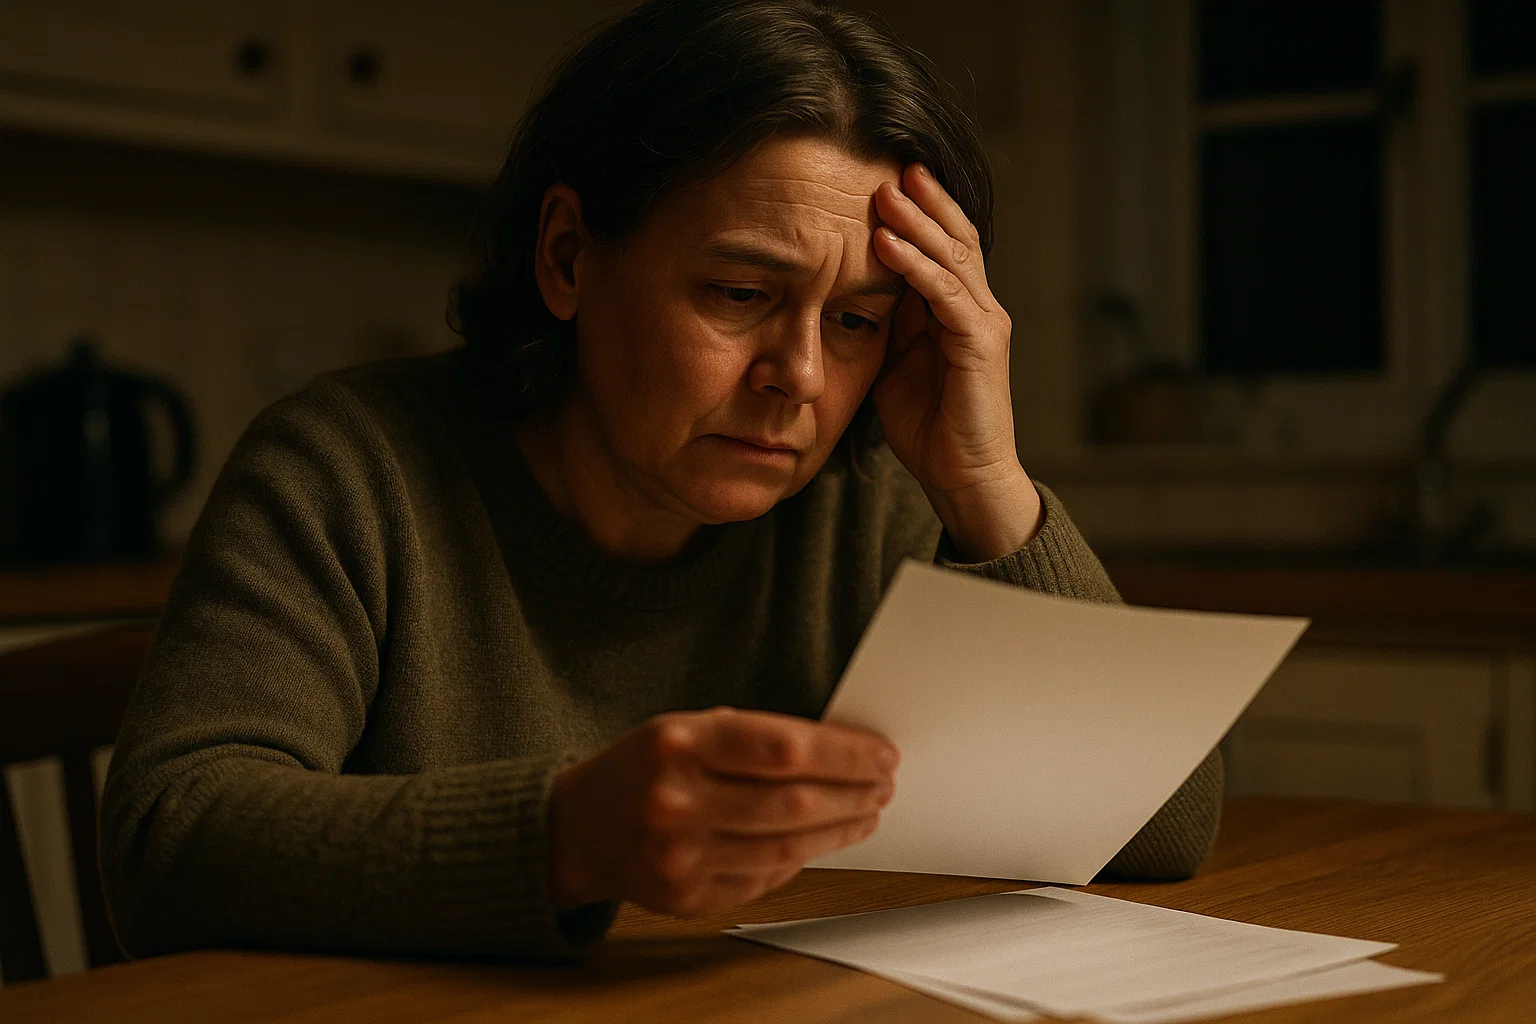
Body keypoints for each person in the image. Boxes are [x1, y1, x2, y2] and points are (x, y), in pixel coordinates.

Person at [101, 0, 1222, 963]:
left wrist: (985, 479)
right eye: (739, 294)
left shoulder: (865, 510)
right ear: (567, 256)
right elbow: (169, 840)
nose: (799, 378)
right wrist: (568, 835)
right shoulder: (350, 469)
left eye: (856, 321)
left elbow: (1161, 827)